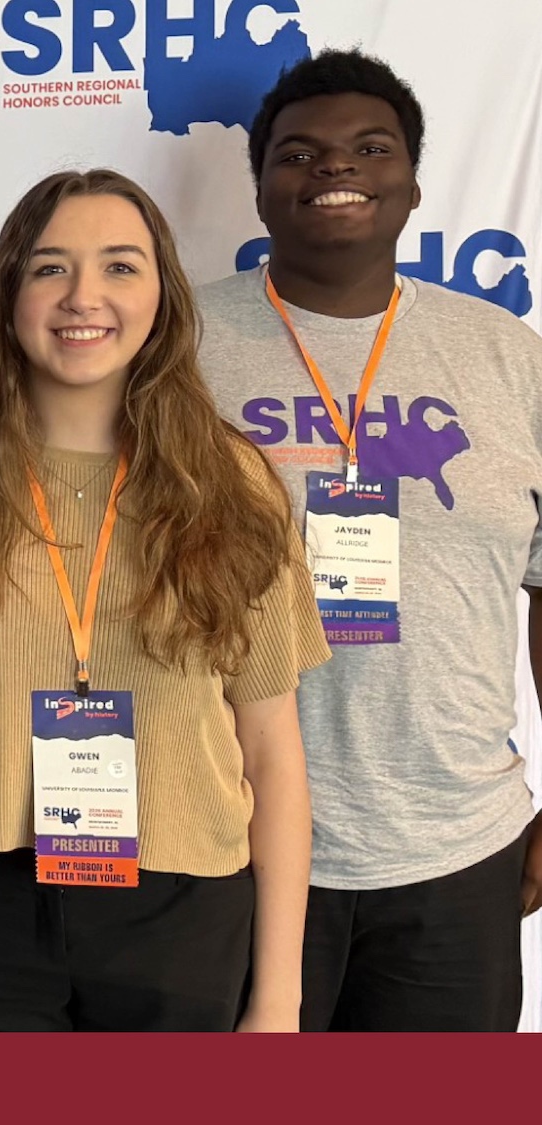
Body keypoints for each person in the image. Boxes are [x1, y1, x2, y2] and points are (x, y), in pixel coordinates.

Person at [0, 170, 329, 1032]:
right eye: (49, 268)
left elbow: (272, 750)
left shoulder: (233, 484)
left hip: (182, 910)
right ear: (8, 291)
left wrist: (279, 996)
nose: (84, 296)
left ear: (163, 296)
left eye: (120, 266)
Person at [199, 50, 542, 1031]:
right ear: (258, 187)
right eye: (296, 153)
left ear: (411, 182)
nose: (331, 169)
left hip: (453, 850)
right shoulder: (170, 351)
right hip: (227, 842)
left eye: (366, 148)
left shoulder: (505, 357)